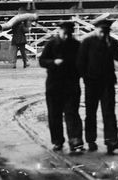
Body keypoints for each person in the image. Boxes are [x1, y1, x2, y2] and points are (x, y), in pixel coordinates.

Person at [76, 17, 118, 154]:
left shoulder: (112, 42)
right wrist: (85, 77)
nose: (103, 33)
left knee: (109, 112)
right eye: (101, 30)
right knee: (90, 113)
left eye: (106, 31)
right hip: (91, 83)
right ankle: (91, 140)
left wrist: (112, 45)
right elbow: (80, 62)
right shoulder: (87, 42)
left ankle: (111, 140)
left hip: (108, 83)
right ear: (95, 29)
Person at [39, 21, 84, 154]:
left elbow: (82, 63)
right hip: (55, 84)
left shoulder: (76, 45)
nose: (66, 36)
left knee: (72, 113)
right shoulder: (52, 44)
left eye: (68, 34)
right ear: (60, 31)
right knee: (55, 114)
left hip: (70, 84)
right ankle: (58, 141)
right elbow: (42, 61)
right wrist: (53, 62)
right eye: (64, 33)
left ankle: (75, 140)